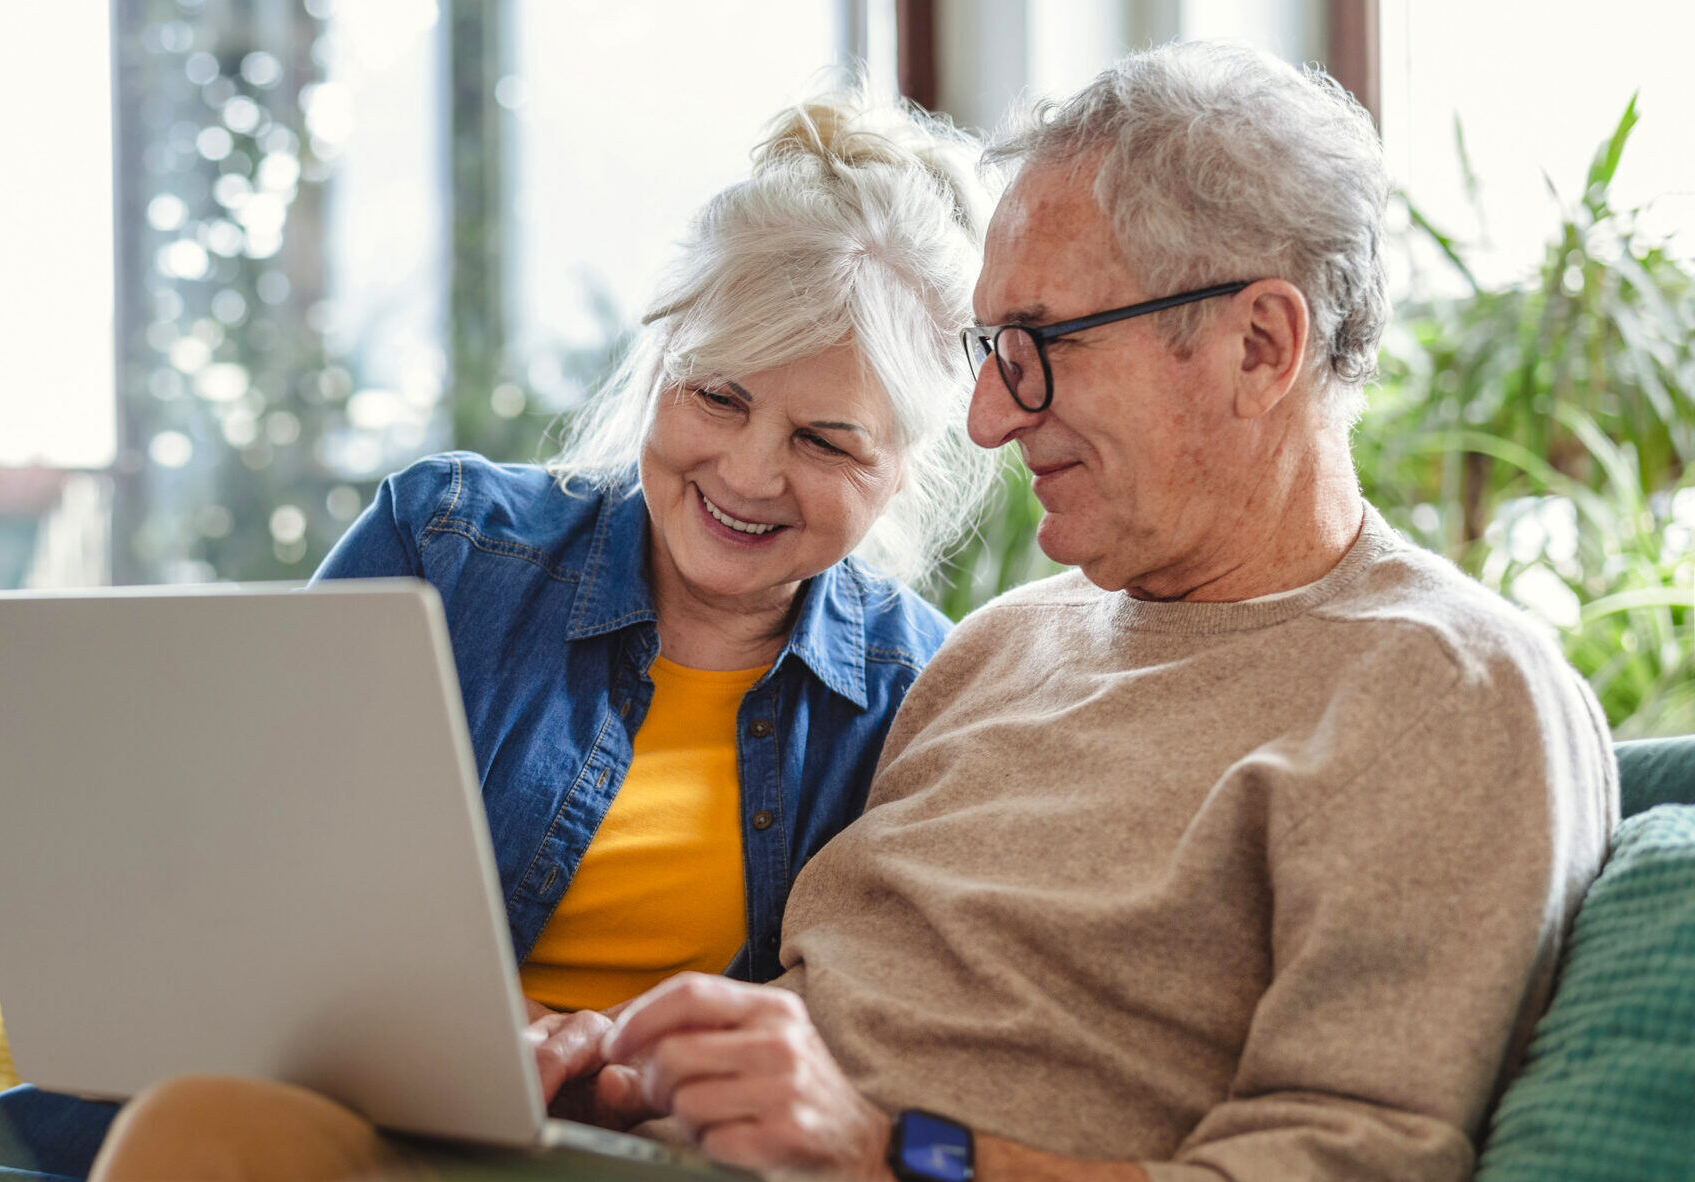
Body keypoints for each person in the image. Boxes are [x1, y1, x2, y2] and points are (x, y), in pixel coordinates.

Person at [87, 40, 1619, 1182]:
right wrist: (632, 1063)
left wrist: (897, 1146)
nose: (991, 421)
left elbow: (1350, 1156)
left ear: (1260, 345)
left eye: (1040, 347)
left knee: (208, 1140)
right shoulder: (1009, 645)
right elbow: (815, 998)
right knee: (207, 1129)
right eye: (989, 352)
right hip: (633, 1149)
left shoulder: (1444, 686)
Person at [0, 89, 997, 1181]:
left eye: (825, 441)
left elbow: (873, 1049)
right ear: (657, 365)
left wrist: (614, 1071)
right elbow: (250, 897)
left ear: (905, 464)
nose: (747, 472)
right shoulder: (449, 544)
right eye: (717, 396)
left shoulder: (924, 691)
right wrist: (506, 1033)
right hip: (310, 1112)